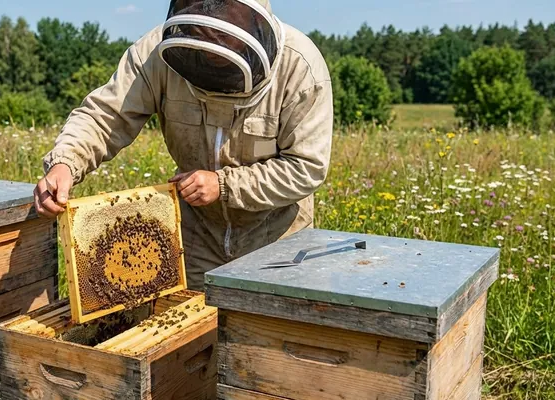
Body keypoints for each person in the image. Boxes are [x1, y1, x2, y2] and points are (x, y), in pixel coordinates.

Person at [34, 0, 333, 290]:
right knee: (193, 333)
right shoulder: (155, 54)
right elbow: (106, 115)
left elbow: (306, 167)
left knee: (263, 337)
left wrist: (223, 184)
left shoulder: (300, 67)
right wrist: (66, 162)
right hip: (196, 237)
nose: (212, 59)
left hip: (275, 242)